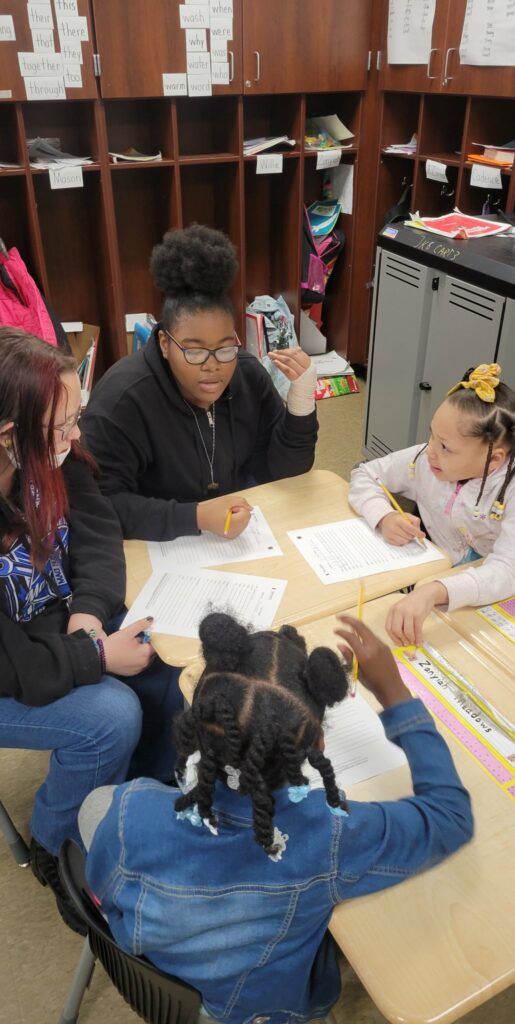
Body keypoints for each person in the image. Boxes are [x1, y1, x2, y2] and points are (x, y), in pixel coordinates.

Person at [81, 611, 473, 1024]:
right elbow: (450, 815)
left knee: (96, 805)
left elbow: (107, 890)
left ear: (196, 717)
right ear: (317, 743)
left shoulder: (130, 810)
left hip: (158, 983)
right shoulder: (328, 837)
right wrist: (396, 695)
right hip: (261, 1013)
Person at [0, 327, 177, 933]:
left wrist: (90, 616)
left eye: (78, 418)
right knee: (111, 717)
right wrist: (95, 656)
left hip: (56, 633)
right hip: (10, 669)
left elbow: (99, 532)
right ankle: (54, 844)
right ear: (7, 435)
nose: (75, 437)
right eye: (63, 426)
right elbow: (13, 666)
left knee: (165, 653)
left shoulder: (50, 451)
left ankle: (130, 806)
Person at [81, 225, 318, 542]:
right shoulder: (122, 400)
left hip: (238, 537)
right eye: (194, 351)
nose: (213, 366)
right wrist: (195, 517)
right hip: (155, 545)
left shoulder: (247, 375)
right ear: (165, 344)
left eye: (224, 347)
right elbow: (101, 505)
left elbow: (285, 471)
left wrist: (301, 405)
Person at [348, 363, 515, 646]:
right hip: (432, 573)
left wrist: (435, 591)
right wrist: (384, 516)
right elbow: (365, 473)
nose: (430, 452)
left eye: (446, 447)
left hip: (483, 595)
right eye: (431, 435)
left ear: (494, 459)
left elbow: (508, 571)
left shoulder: (509, 489)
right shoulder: (425, 459)